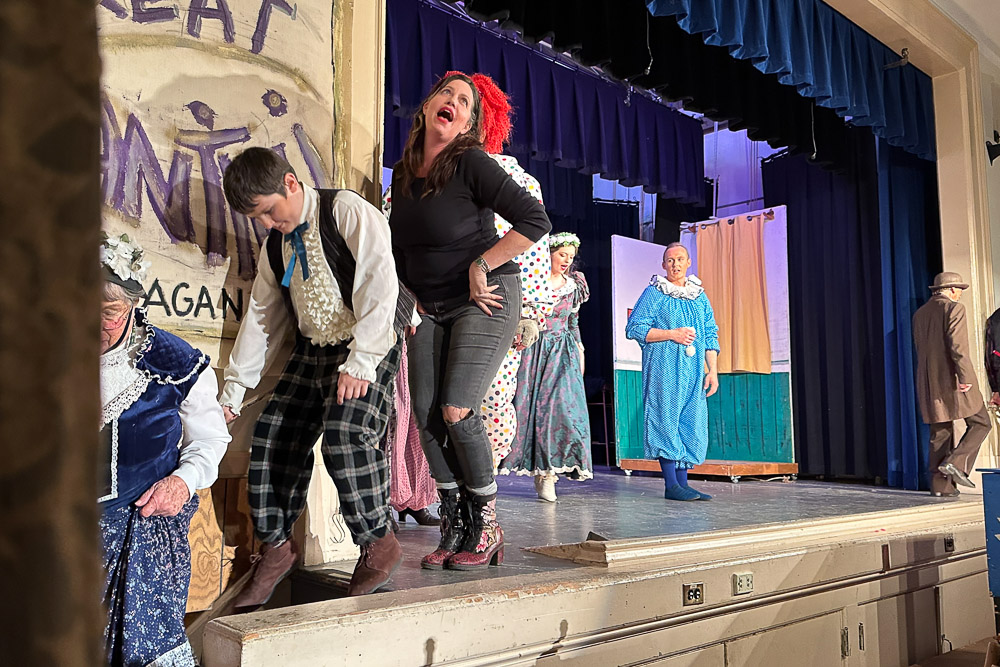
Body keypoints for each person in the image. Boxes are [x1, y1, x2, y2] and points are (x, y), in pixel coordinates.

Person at [219, 147, 414, 605]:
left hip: (372, 336)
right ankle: (277, 547)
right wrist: (234, 391)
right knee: (273, 435)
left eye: (268, 211)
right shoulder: (277, 246)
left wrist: (362, 361)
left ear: (290, 183)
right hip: (316, 347)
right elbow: (262, 318)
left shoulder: (343, 210)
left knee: (346, 435)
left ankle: (378, 541)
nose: (267, 223)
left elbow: (379, 283)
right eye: (257, 218)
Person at [388, 73, 551, 570]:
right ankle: (456, 525)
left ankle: (488, 524)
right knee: (426, 417)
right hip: (430, 308)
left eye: (465, 102)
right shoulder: (404, 173)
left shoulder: (471, 163)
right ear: (427, 105)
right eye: (447, 93)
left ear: (467, 125)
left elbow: (535, 221)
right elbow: (399, 250)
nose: (454, 103)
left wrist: (481, 264)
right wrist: (407, 299)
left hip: (485, 298)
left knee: (457, 409)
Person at [98, 234, 230, 666]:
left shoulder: (174, 364)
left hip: (140, 538)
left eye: (108, 313)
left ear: (133, 305)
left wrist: (181, 482)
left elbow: (209, 440)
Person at [500, 232, 593, 500]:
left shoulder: (574, 285)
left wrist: (580, 350)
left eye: (571, 257)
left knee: (561, 411)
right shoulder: (533, 282)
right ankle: (535, 470)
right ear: (548, 254)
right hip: (532, 350)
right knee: (529, 411)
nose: (567, 261)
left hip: (562, 353)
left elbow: (573, 322)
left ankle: (550, 473)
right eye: (562, 255)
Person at [625, 243, 720, 501]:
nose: (675, 264)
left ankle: (683, 484)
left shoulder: (699, 296)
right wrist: (671, 334)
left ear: (688, 262)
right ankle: (671, 485)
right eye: (670, 260)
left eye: (679, 259)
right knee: (665, 419)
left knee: (690, 422)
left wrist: (712, 371)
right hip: (664, 366)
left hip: (694, 370)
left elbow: (710, 333)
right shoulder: (655, 293)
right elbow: (634, 328)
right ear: (663, 265)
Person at [913, 272, 992, 496]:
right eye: (960, 290)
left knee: (940, 431)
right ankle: (956, 463)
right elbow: (958, 348)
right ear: (953, 290)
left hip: (929, 381)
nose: (960, 295)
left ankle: (941, 487)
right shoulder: (954, 309)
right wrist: (965, 377)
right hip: (954, 378)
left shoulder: (920, 314)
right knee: (981, 422)